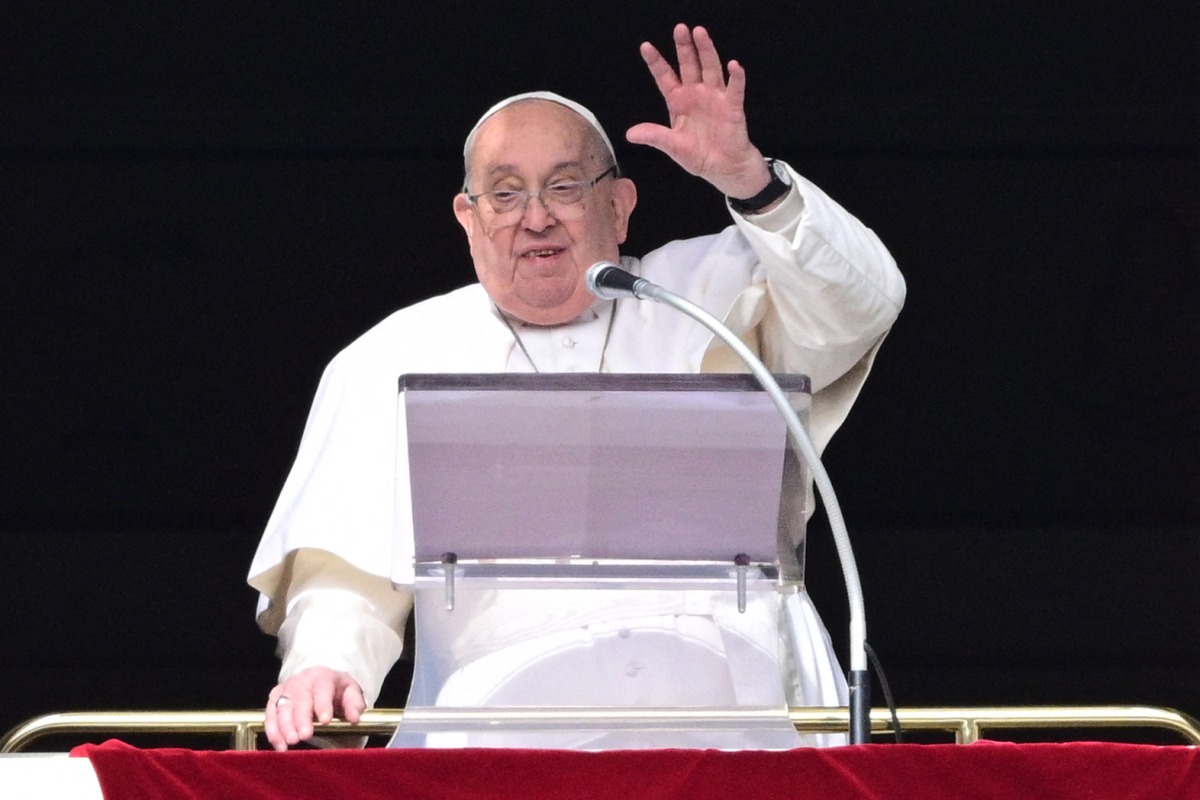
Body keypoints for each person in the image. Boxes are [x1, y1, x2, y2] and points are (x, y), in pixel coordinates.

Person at [248, 24, 906, 751]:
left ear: (619, 205)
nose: (536, 217)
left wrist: (751, 182)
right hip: (502, 730)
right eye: (505, 194)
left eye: (565, 187)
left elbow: (862, 300)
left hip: (740, 713)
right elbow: (347, 570)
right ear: (468, 219)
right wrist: (325, 666)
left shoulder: (703, 294)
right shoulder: (389, 356)